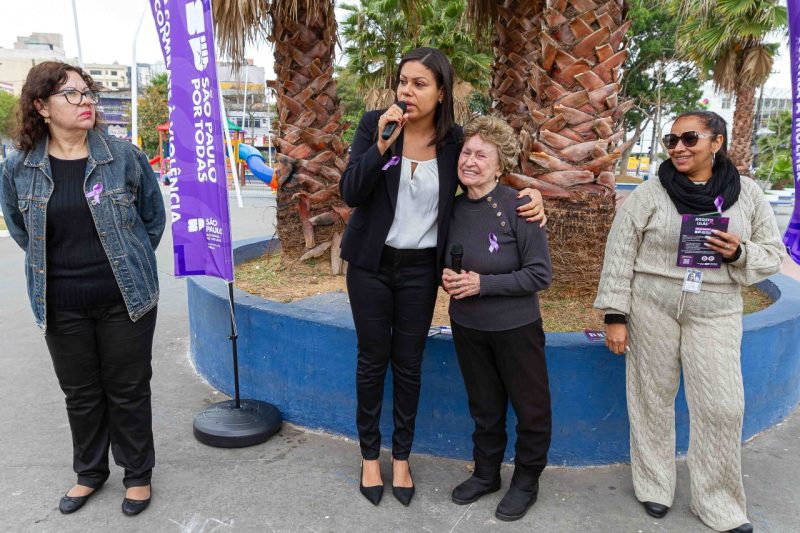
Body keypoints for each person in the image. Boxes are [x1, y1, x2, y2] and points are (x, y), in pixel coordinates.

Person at [339, 47, 546, 507]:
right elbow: (351, 191)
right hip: (370, 266)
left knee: (408, 363)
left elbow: (484, 170)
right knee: (372, 360)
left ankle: (402, 458)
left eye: (419, 83)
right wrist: (382, 145)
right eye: (403, 81)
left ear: (441, 93)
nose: (407, 91)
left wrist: (530, 192)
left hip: (419, 269)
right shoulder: (375, 125)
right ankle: (370, 456)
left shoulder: (453, 140)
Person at [594, 110, 785, 533]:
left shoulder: (747, 194)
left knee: (723, 406)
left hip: (715, 309)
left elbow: (774, 254)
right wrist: (615, 315)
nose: (678, 147)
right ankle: (654, 485)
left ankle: (718, 503)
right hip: (652, 305)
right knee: (651, 397)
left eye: (690, 138)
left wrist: (739, 253)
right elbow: (620, 252)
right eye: (672, 140)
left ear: (716, 142)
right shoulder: (651, 192)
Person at [1, 61, 165, 516]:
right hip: (61, 304)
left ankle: (138, 475)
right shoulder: (18, 168)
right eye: (71, 94)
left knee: (129, 389)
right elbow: (22, 230)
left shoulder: (124, 157)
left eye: (87, 92)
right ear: (41, 106)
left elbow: (151, 220)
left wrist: (127, 261)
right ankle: (90, 472)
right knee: (81, 394)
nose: (86, 101)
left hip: (126, 300)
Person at [441, 116, 552, 521]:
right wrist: (445, 277)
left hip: (516, 327)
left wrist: (482, 284)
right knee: (484, 407)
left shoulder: (520, 206)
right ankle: (486, 473)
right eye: (466, 152)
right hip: (468, 326)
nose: (470, 161)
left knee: (531, 409)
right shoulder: (450, 208)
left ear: (500, 164)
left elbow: (539, 274)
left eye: (481, 155)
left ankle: (526, 480)